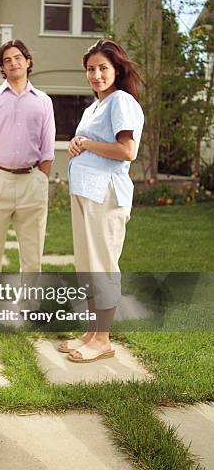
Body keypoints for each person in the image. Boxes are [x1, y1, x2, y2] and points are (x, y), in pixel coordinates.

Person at [59, 38, 144, 363]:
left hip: (105, 195)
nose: (96, 74)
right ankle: (92, 333)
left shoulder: (121, 100)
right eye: (91, 69)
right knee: (87, 266)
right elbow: (90, 142)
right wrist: (78, 145)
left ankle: (103, 340)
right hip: (86, 193)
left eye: (103, 68)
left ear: (117, 70)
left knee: (103, 266)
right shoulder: (95, 105)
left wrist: (87, 145)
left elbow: (127, 151)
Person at [0, 39, 55, 273]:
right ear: (2, 67)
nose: (13, 63)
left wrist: (41, 178)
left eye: (18, 57)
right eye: (7, 60)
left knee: (32, 256)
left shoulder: (43, 101)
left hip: (32, 182)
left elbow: (48, 146)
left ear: (28, 62)